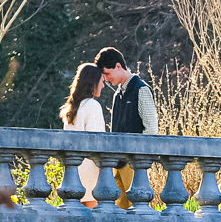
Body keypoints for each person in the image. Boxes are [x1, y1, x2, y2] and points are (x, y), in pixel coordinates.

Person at [93, 47, 156, 207]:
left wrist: (140, 159)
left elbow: (151, 130)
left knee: (137, 208)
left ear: (118, 66)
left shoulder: (141, 89)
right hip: (118, 163)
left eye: (107, 73)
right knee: (119, 210)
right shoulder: (117, 94)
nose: (106, 79)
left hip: (134, 163)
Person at [60, 62, 105, 206]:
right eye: (102, 81)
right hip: (90, 173)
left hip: (73, 172)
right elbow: (98, 142)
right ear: (93, 83)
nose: (103, 86)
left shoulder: (71, 109)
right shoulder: (92, 106)